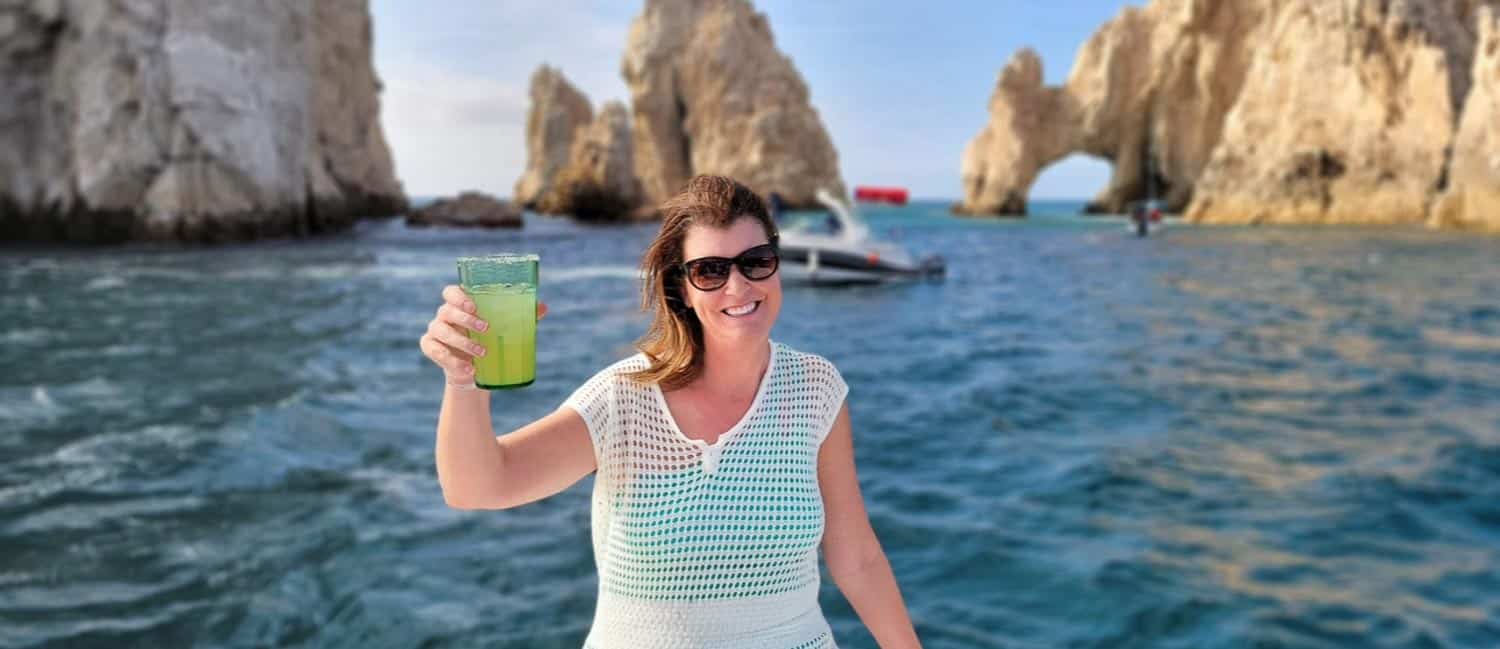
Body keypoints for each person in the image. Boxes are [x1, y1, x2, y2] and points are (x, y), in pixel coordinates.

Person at [420, 175, 922, 649]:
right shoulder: (623, 398)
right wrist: (463, 379)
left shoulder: (816, 388)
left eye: (756, 261)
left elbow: (856, 558)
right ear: (681, 287)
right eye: (710, 270)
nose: (738, 286)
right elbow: (477, 487)